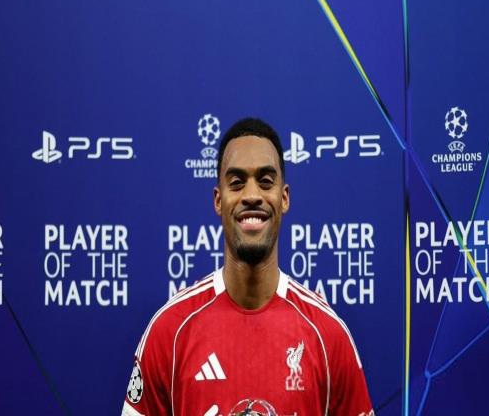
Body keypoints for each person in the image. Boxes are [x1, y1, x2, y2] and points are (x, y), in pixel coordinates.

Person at [122, 118, 374, 416]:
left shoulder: (328, 334)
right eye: (237, 182)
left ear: (284, 198)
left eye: (265, 181)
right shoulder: (169, 332)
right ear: (218, 200)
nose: (252, 195)